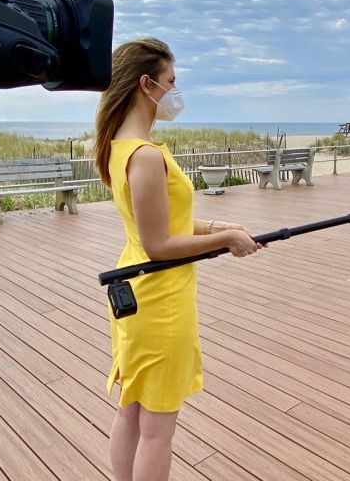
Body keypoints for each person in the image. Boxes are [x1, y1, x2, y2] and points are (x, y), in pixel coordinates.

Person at [96, 38, 262, 481]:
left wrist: (216, 228)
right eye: (171, 81)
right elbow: (159, 246)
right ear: (146, 84)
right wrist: (226, 241)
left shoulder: (122, 146)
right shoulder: (147, 156)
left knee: (132, 410)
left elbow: (162, 225)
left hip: (136, 291)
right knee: (156, 430)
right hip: (159, 300)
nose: (176, 91)